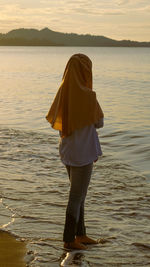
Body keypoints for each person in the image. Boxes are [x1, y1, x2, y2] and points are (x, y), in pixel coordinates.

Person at [46, 53, 104, 250]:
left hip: (68, 151)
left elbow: (57, 120)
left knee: (78, 194)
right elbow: (99, 123)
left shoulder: (63, 92)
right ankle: (69, 239)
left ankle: (81, 234)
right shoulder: (88, 96)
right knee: (77, 196)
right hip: (83, 152)